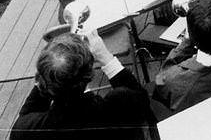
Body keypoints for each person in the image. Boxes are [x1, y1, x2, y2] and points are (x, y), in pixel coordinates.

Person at [10, 30, 151, 139]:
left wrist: (48, 74)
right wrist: (106, 57)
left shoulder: (27, 130)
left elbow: (26, 115)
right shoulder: (117, 104)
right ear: (90, 73)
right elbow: (142, 100)